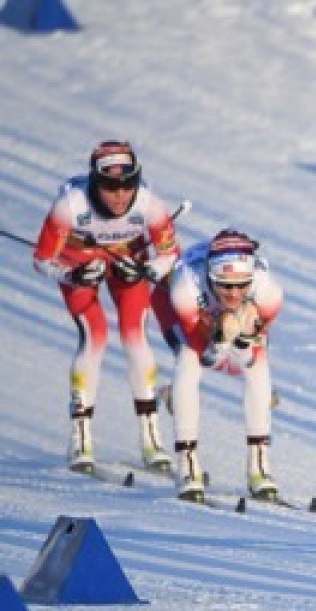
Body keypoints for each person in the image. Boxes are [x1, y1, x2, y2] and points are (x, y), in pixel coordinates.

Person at [32, 140, 181, 475]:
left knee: (135, 338)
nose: (120, 194)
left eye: (127, 184)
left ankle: (151, 440)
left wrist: (147, 270)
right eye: (110, 186)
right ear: (94, 182)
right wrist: (71, 274)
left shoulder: (148, 202)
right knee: (95, 336)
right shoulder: (70, 204)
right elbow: (41, 259)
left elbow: (171, 255)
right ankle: (80, 440)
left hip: (127, 260)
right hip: (78, 262)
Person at [166, 228, 283, 502]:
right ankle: (187, 463)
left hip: (229, 315)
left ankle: (260, 465)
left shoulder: (268, 290)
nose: (234, 293)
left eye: (243, 285)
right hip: (180, 303)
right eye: (225, 285)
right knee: (188, 359)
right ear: (210, 277)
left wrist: (242, 337)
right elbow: (207, 356)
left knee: (257, 365)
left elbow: (251, 350)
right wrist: (219, 340)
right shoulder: (186, 286)